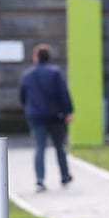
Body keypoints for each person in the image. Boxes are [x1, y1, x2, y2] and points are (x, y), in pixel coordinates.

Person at [18, 44, 74, 192]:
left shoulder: (27, 75)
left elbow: (22, 97)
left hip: (36, 116)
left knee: (40, 147)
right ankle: (65, 175)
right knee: (60, 147)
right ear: (49, 57)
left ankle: (40, 180)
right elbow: (64, 93)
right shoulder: (56, 73)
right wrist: (69, 111)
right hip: (55, 116)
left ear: (36, 57)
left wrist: (29, 108)